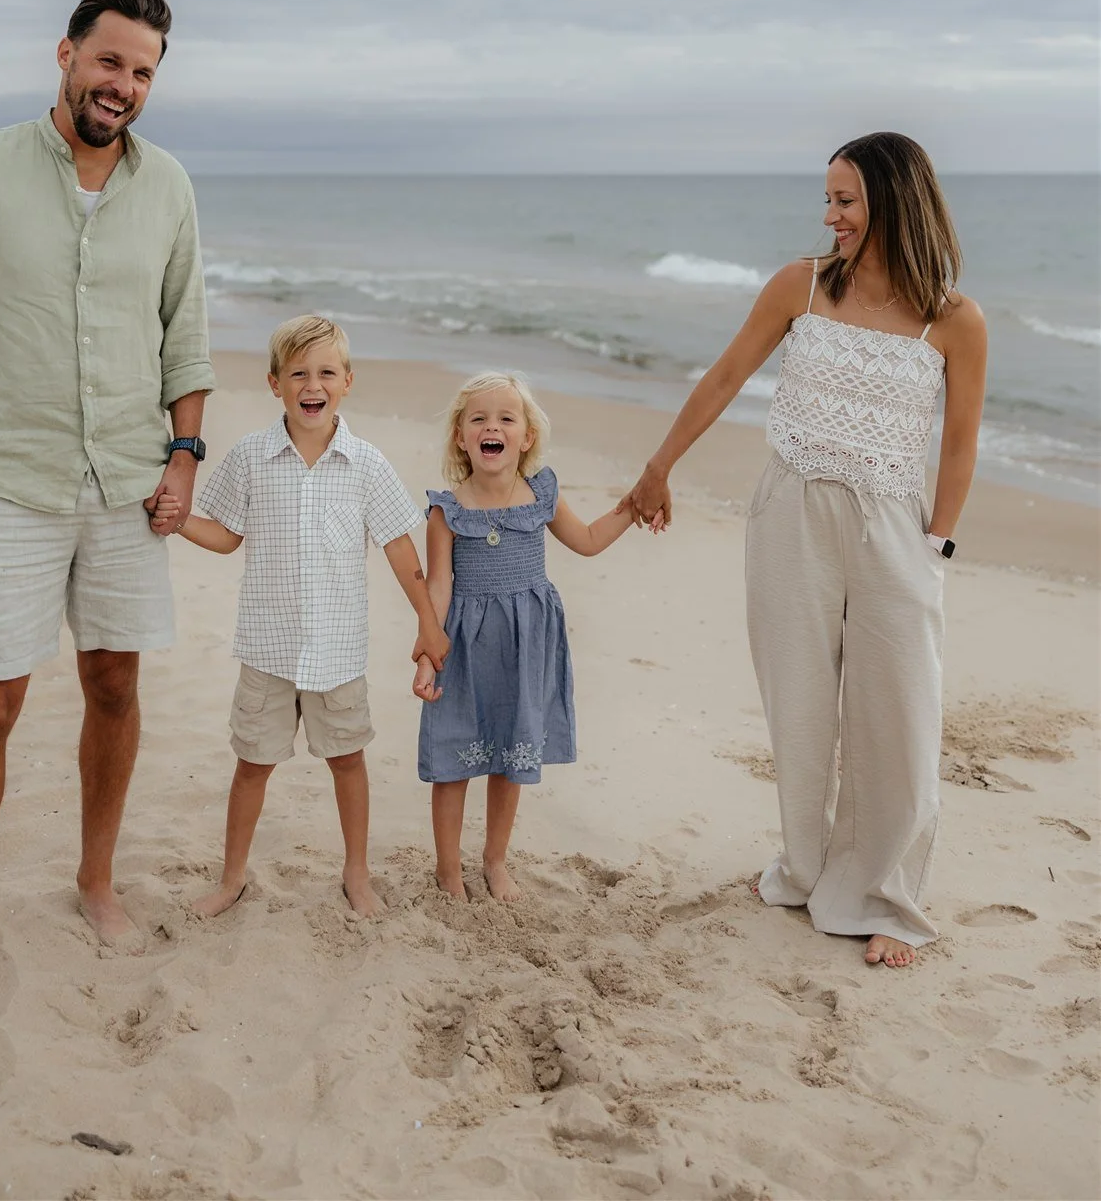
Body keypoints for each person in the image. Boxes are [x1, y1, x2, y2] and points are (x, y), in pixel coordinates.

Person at [0, 0, 215, 1004]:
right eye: (110, 61)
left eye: (144, 71)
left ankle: (96, 878)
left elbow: (186, 339)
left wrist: (183, 459)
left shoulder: (170, 189)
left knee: (115, 685)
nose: (125, 84)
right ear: (66, 54)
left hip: (125, 484)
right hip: (8, 487)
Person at [619, 133, 987, 968]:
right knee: (799, 701)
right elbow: (721, 378)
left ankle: (885, 896)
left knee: (898, 710)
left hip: (895, 526)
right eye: (828, 199)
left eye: (845, 200)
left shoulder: (954, 320)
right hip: (789, 511)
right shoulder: (802, 287)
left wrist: (936, 547)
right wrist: (657, 467)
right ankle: (807, 866)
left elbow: (959, 443)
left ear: (894, 200)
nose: (830, 215)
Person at [151, 315, 449, 919]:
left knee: (347, 761)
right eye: (299, 374)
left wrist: (426, 620)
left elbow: (398, 546)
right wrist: (177, 520)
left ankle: (356, 873)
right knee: (252, 765)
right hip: (267, 649)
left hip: (338, 652)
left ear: (347, 381)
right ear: (274, 384)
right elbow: (228, 535)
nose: (313, 384)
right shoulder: (253, 457)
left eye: (326, 373)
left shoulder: (365, 463)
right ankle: (232, 876)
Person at [412, 371, 646, 902]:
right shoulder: (445, 511)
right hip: (464, 649)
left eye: (505, 418)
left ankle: (495, 861)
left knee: (511, 754)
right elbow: (440, 589)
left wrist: (633, 505)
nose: (491, 426)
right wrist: (428, 658)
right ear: (460, 435)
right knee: (453, 761)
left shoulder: (540, 494)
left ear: (526, 436)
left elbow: (586, 541)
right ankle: (448, 868)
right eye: (478, 418)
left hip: (526, 643)